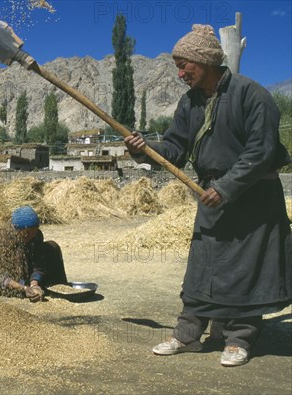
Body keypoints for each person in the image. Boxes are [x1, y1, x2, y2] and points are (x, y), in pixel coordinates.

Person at [124, 24, 292, 367]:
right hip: (211, 196)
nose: (180, 72)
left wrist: (227, 187)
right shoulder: (191, 103)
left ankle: (239, 338)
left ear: (207, 61)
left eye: (186, 64)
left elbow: (261, 151)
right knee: (202, 268)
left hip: (254, 198)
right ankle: (188, 335)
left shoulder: (251, 94)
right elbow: (174, 147)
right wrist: (144, 150)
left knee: (247, 270)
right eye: (178, 66)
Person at [0, 206, 68, 302]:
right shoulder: (3, 240)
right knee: (14, 285)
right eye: (26, 233)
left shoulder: (36, 236)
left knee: (52, 246)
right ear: (18, 230)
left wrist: (34, 284)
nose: (30, 237)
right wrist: (23, 288)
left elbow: (38, 263)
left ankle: (57, 288)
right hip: (12, 279)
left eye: (33, 233)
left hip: (29, 274)